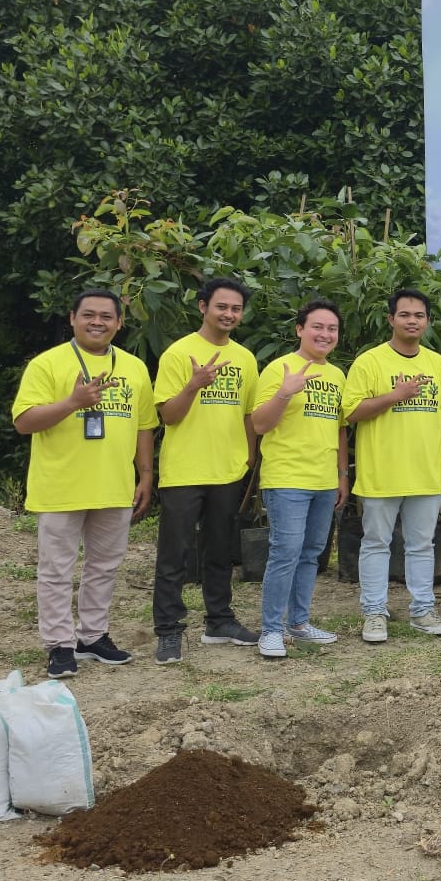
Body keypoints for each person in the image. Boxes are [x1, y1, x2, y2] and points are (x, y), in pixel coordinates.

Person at [12, 288, 158, 679]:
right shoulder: (48, 364)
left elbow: (145, 425)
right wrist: (73, 402)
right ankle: (59, 644)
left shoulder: (134, 367)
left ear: (119, 323)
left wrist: (145, 475)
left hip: (114, 485)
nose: (98, 322)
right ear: (72, 318)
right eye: (89, 315)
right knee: (56, 570)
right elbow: (24, 422)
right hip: (61, 486)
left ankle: (92, 636)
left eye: (106, 316)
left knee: (105, 567)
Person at [151, 277, 260, 665]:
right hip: (184, 471)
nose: (229, 314)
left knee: (219, 552)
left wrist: (248, 457)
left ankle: (220, 621)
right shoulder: (179, 354)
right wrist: (194, 385)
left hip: (227, 471)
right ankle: (168, 631)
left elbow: (249, 414)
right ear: (203, 307)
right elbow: (169, 415)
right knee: (175, 556)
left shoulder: (246, 358)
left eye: (235, 309)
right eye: (222, 307)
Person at [345, 289, 441, 642]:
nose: (412, 321)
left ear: (427, 321)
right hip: (381, 472)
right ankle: (374, 612)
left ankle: (422, 610)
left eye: (419, 315)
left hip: (424, 473)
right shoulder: (369, 362)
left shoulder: (438, 365)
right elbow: (351, 412)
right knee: (376, 542)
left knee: (422, 545)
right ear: (391, 319)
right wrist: (395, 395)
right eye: (405, 314)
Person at [249, 300, 350, 659]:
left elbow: (339, 429)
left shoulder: (337, 375)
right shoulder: (279, 369)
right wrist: (285, 392)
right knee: (285, 553)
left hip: (324, 480)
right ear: (299, 330)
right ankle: (271, 630)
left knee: (310, 555)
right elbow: (259, 424)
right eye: (317, 327)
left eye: (332, 329)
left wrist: (341, 474)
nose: (325, 334)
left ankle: (299, 624)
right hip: (287, 477)